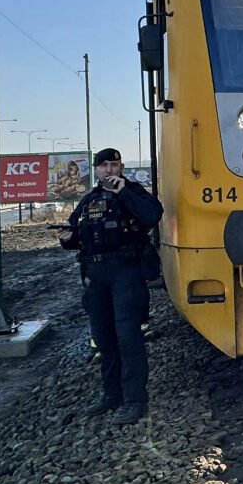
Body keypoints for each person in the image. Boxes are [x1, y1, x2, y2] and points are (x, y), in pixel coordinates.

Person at [59, 148, 163, 425]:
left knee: (129, 339)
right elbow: (75, 235)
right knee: (104, 340)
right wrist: (67, 237)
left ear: (121, 167)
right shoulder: (89, 200)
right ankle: (111, 395)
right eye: (103, 166)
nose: (108, 170)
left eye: (113, 165)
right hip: (96, 276)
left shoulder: (133, 193)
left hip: (126, 273)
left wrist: (123, 192)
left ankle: (134, 400)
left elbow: (152, 216)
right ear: (97, 170)